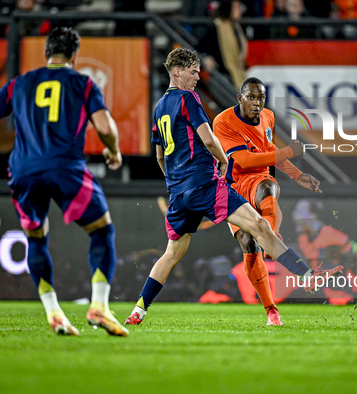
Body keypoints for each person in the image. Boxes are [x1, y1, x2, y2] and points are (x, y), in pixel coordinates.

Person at [125, 48, 337, 326]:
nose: (198, 77)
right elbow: (209, 140)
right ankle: (306, 275)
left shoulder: (159, 106)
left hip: (179, 193)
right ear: (177, 72)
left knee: (172, 253)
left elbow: (159, 156)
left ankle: (139, 310)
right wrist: (223, 163)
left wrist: (173, 183)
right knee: (260, 226)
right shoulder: (188, 98)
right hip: (204, 184)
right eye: (193, 71)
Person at [0, 27, 128, 337]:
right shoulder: (82, 83)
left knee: (36, 237)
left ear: (47, 53)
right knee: (102, 229)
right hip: (65, 167)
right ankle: (99, 306)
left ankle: (53, 311)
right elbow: (105, 126)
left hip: (23, 170)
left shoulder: (19, 83)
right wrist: (113, 151)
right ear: (74, 56)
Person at [212, 77, 343, 324]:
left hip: (258, 178)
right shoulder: (223, 122)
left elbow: (268, 150)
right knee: (249, 244)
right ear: (240, 98)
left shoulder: (268, 117)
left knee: (268, 185)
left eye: (260, 97)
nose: (256, 102)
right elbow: (245, 160)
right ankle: (271, 309)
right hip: (233, 185)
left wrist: (297, 175)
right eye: (251, 97)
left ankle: (271, 236)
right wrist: (290, 150)